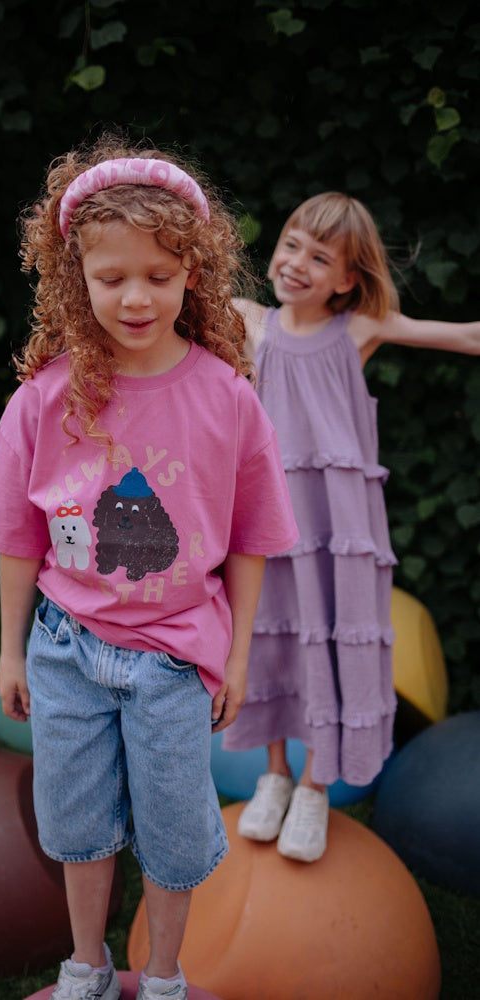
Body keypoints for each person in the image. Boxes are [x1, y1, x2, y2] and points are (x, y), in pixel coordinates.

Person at [0, 135, 298, 1000]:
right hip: (65, 649)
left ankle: (162, 979)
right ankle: (86, 965)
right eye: (111, 277)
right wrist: (7, 652)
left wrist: (236, 657)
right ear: (78, 277)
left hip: (175, 662)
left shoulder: (228, 394)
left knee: (176, 836)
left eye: (158, 273)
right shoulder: (45, 395)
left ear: (195, 272)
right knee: (76, 826)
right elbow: (16, 537)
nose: (135, 295)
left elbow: (255, 538)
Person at [226, 192, 480, 863]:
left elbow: (463, 335)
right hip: (266, 522)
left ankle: (316, 785)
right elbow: (170, 291)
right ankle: (274, 774)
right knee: (265, 638)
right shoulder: (249, 322)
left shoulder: (357, 331)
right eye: (289, 245)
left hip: (335, 525)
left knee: (332, 643)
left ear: (346, 278)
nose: (296, 263)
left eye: (319, 256)